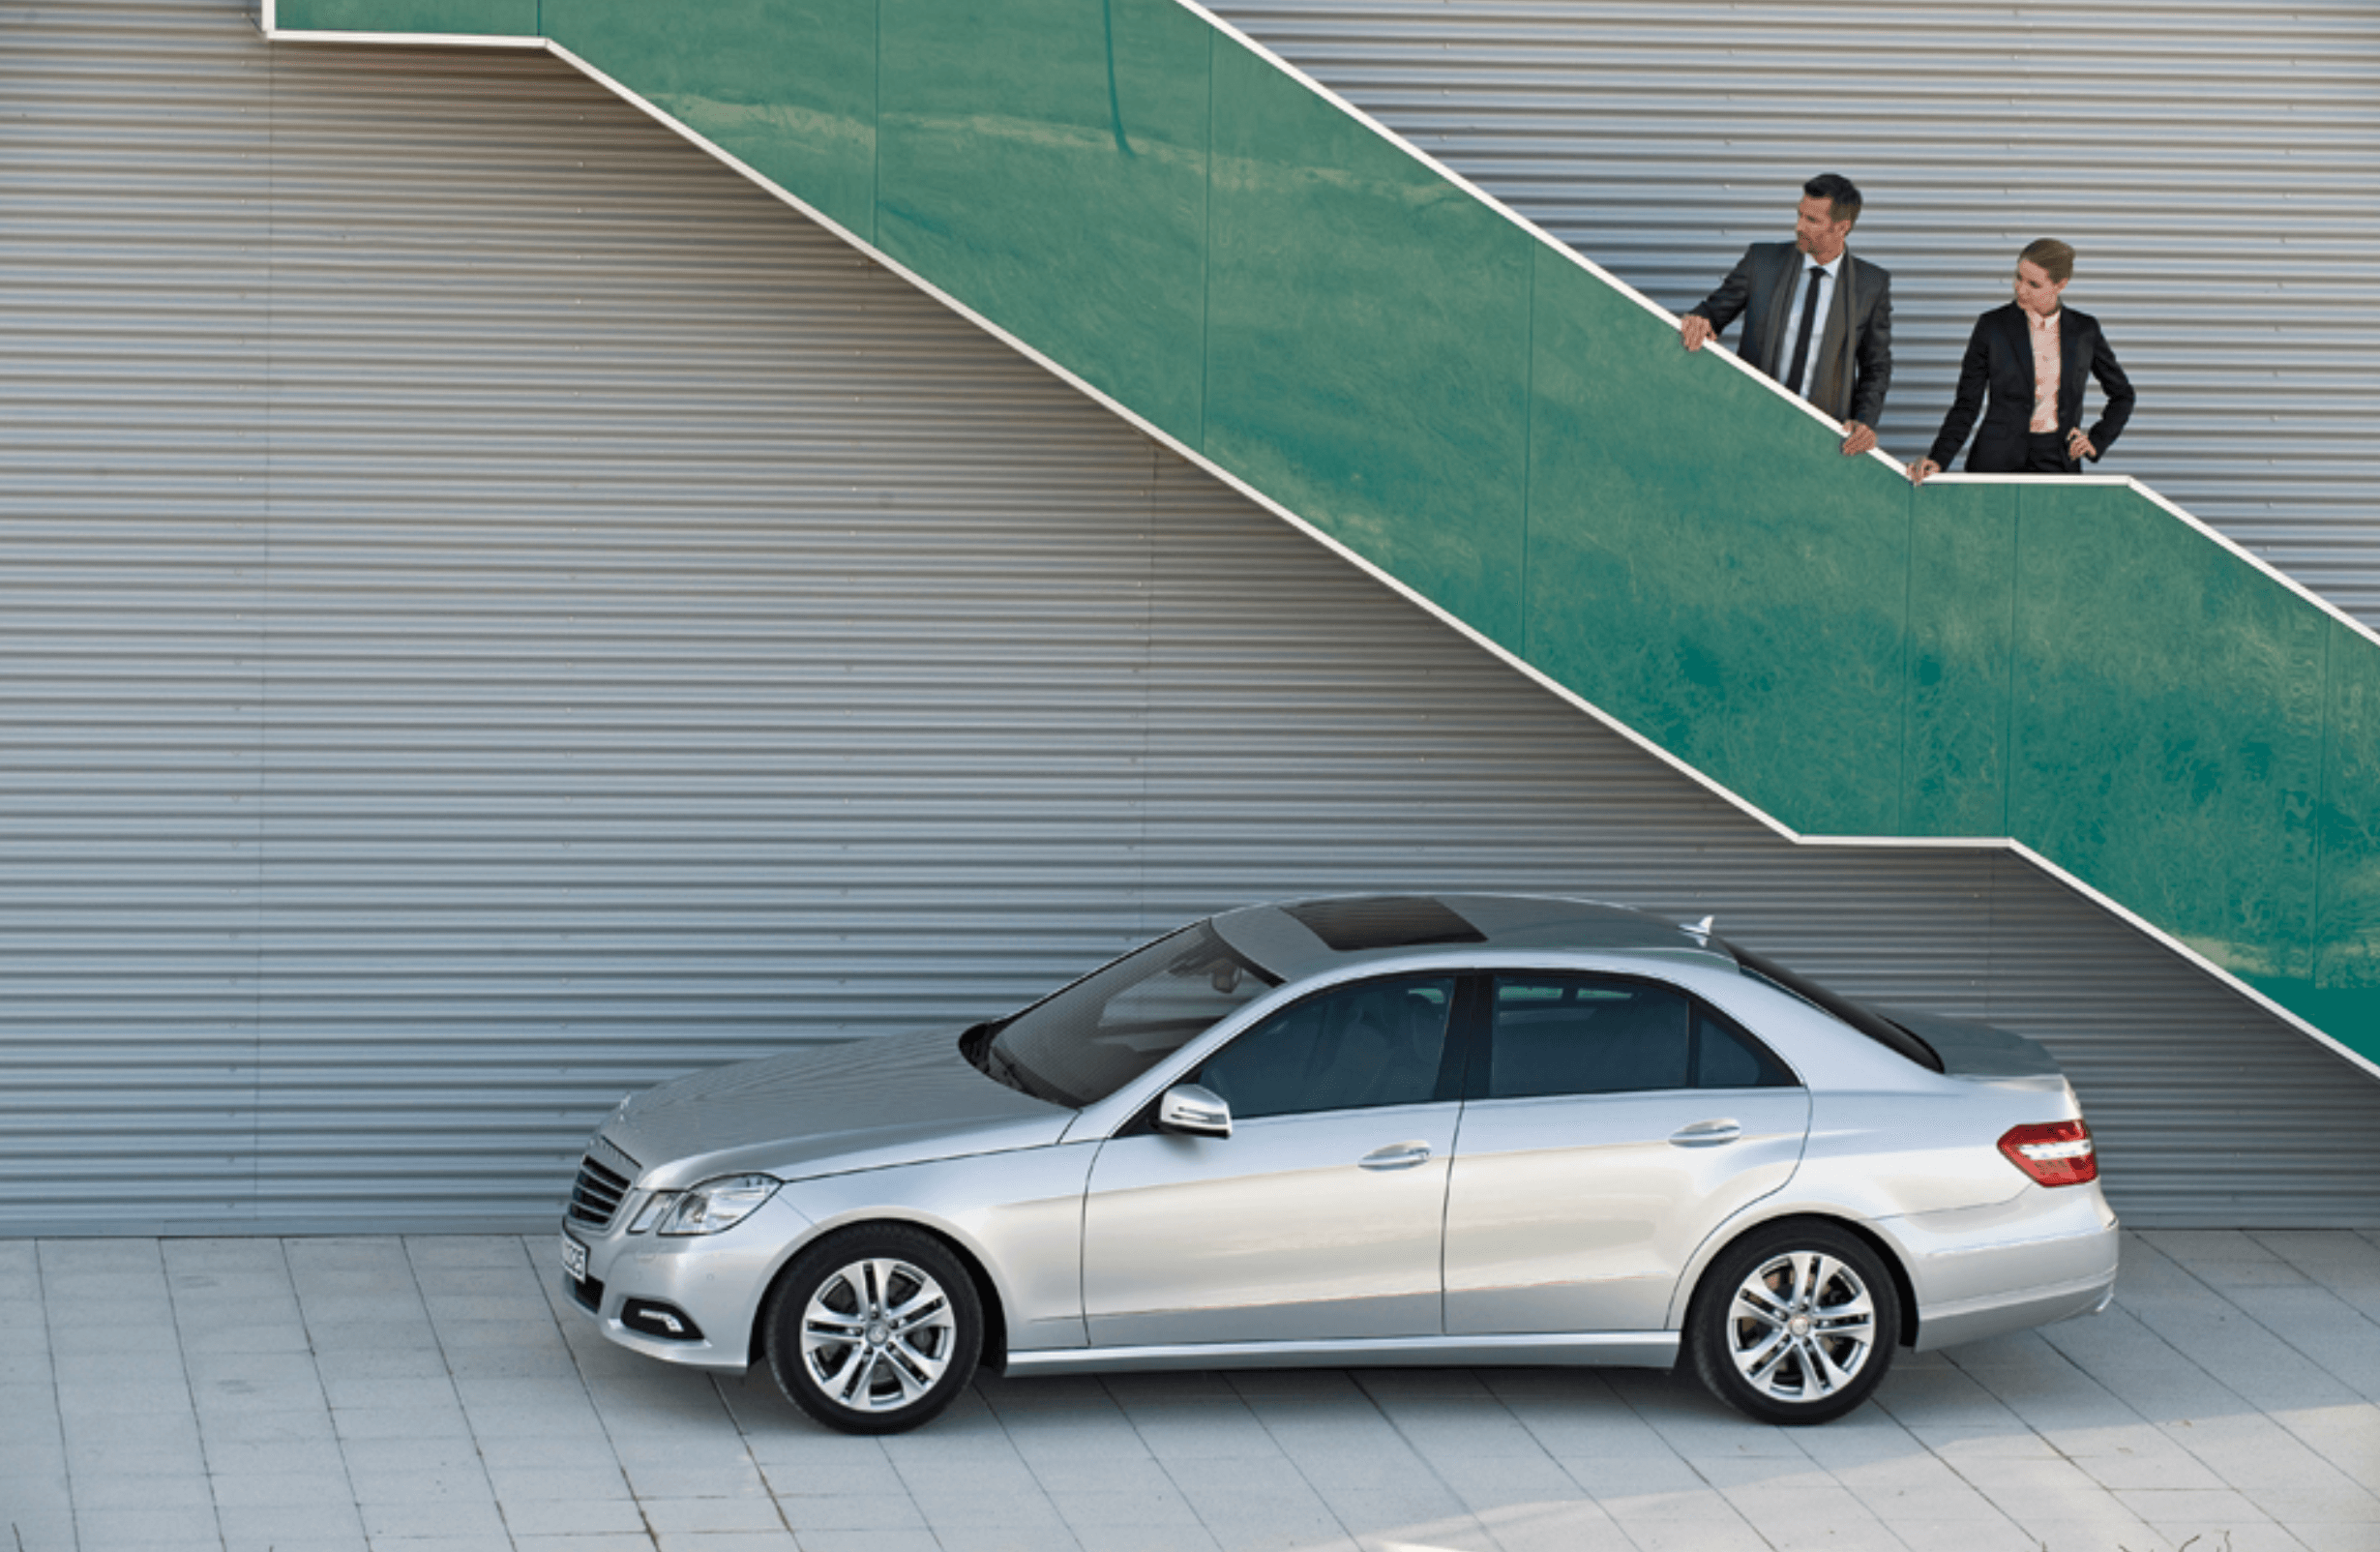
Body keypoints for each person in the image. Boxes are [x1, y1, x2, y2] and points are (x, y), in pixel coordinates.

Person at [1680, 173, 1893, 457]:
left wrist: (1864, 423)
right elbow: (1712, 312)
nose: (1799, 227)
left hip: (1822, 440)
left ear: (1842, 228)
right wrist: (1699, 320)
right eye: (1800, 215)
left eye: (1812, 220)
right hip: (1750, 424)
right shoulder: (1762, 261)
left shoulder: (1871, 284)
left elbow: (1876, 366)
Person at [1909, 238, 2134, 483]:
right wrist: (1939, 459)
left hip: (2057, 460)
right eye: (2018, 277)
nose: (2020, 289)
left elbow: (2123, 394)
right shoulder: (1991, 326)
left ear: (2060, 285)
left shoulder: (2084, 331)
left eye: (2034, 284)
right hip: (1995, 460)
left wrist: (2096, 440)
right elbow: (1967, 404)